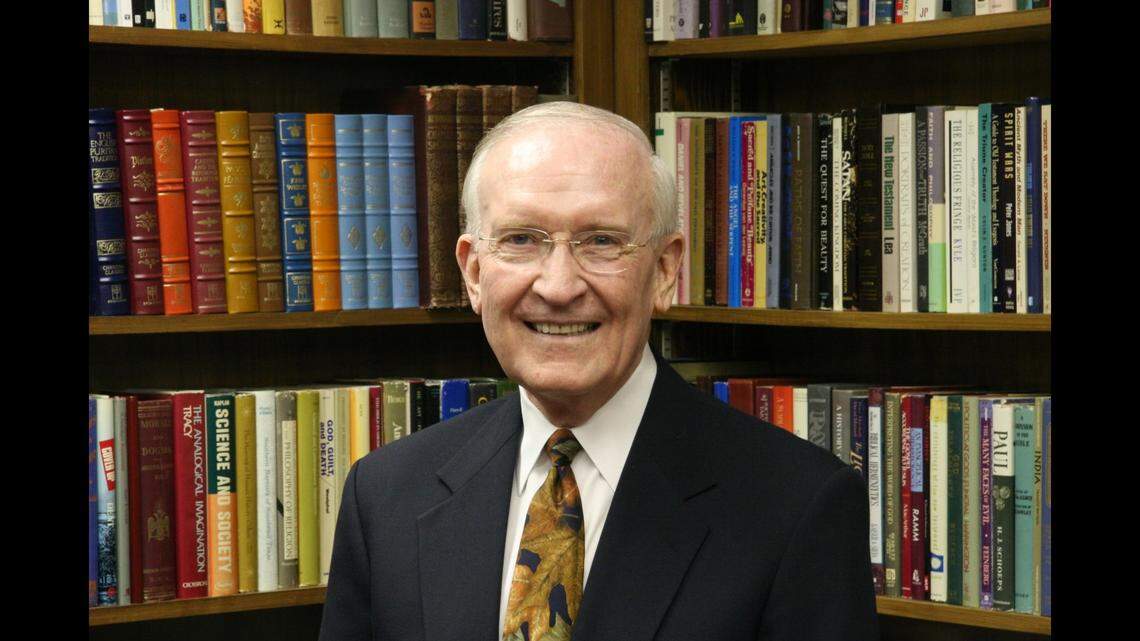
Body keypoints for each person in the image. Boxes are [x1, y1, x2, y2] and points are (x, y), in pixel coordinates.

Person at [319, 102, 879, 641]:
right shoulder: (387, 494)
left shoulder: (797, 506)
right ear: (472, 272)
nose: (559, 286)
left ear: (663, 271)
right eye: (521, 240)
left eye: (602, 242)